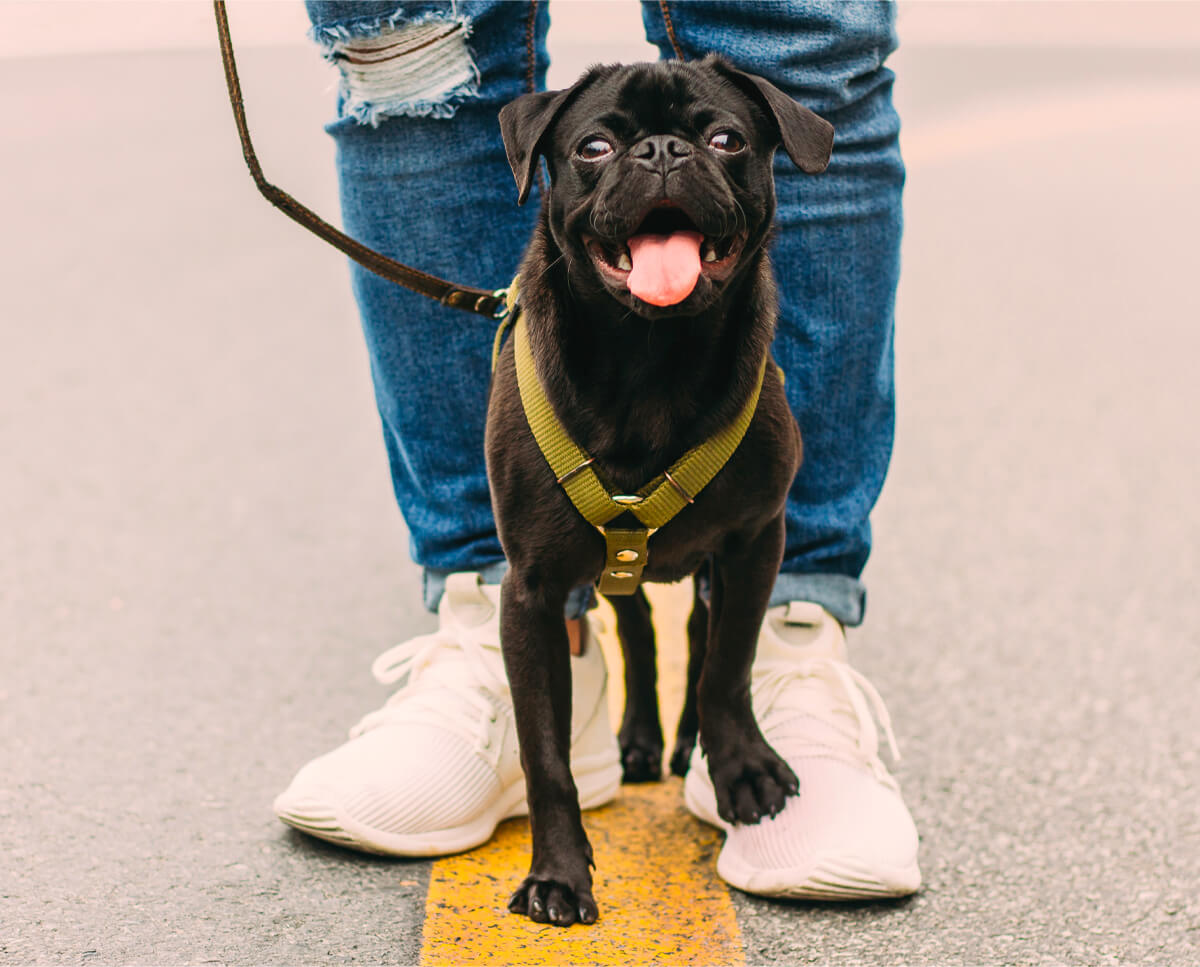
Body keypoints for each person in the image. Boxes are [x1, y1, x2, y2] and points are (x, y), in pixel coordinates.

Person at [274, 0, 920, 899]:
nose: (660, 161)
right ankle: (488, 618)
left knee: (801, 32)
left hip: (732, 439)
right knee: (405, 42)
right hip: (558, 419)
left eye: (720, 142)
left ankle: (772, 660)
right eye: (599, 150)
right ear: (540, 165)